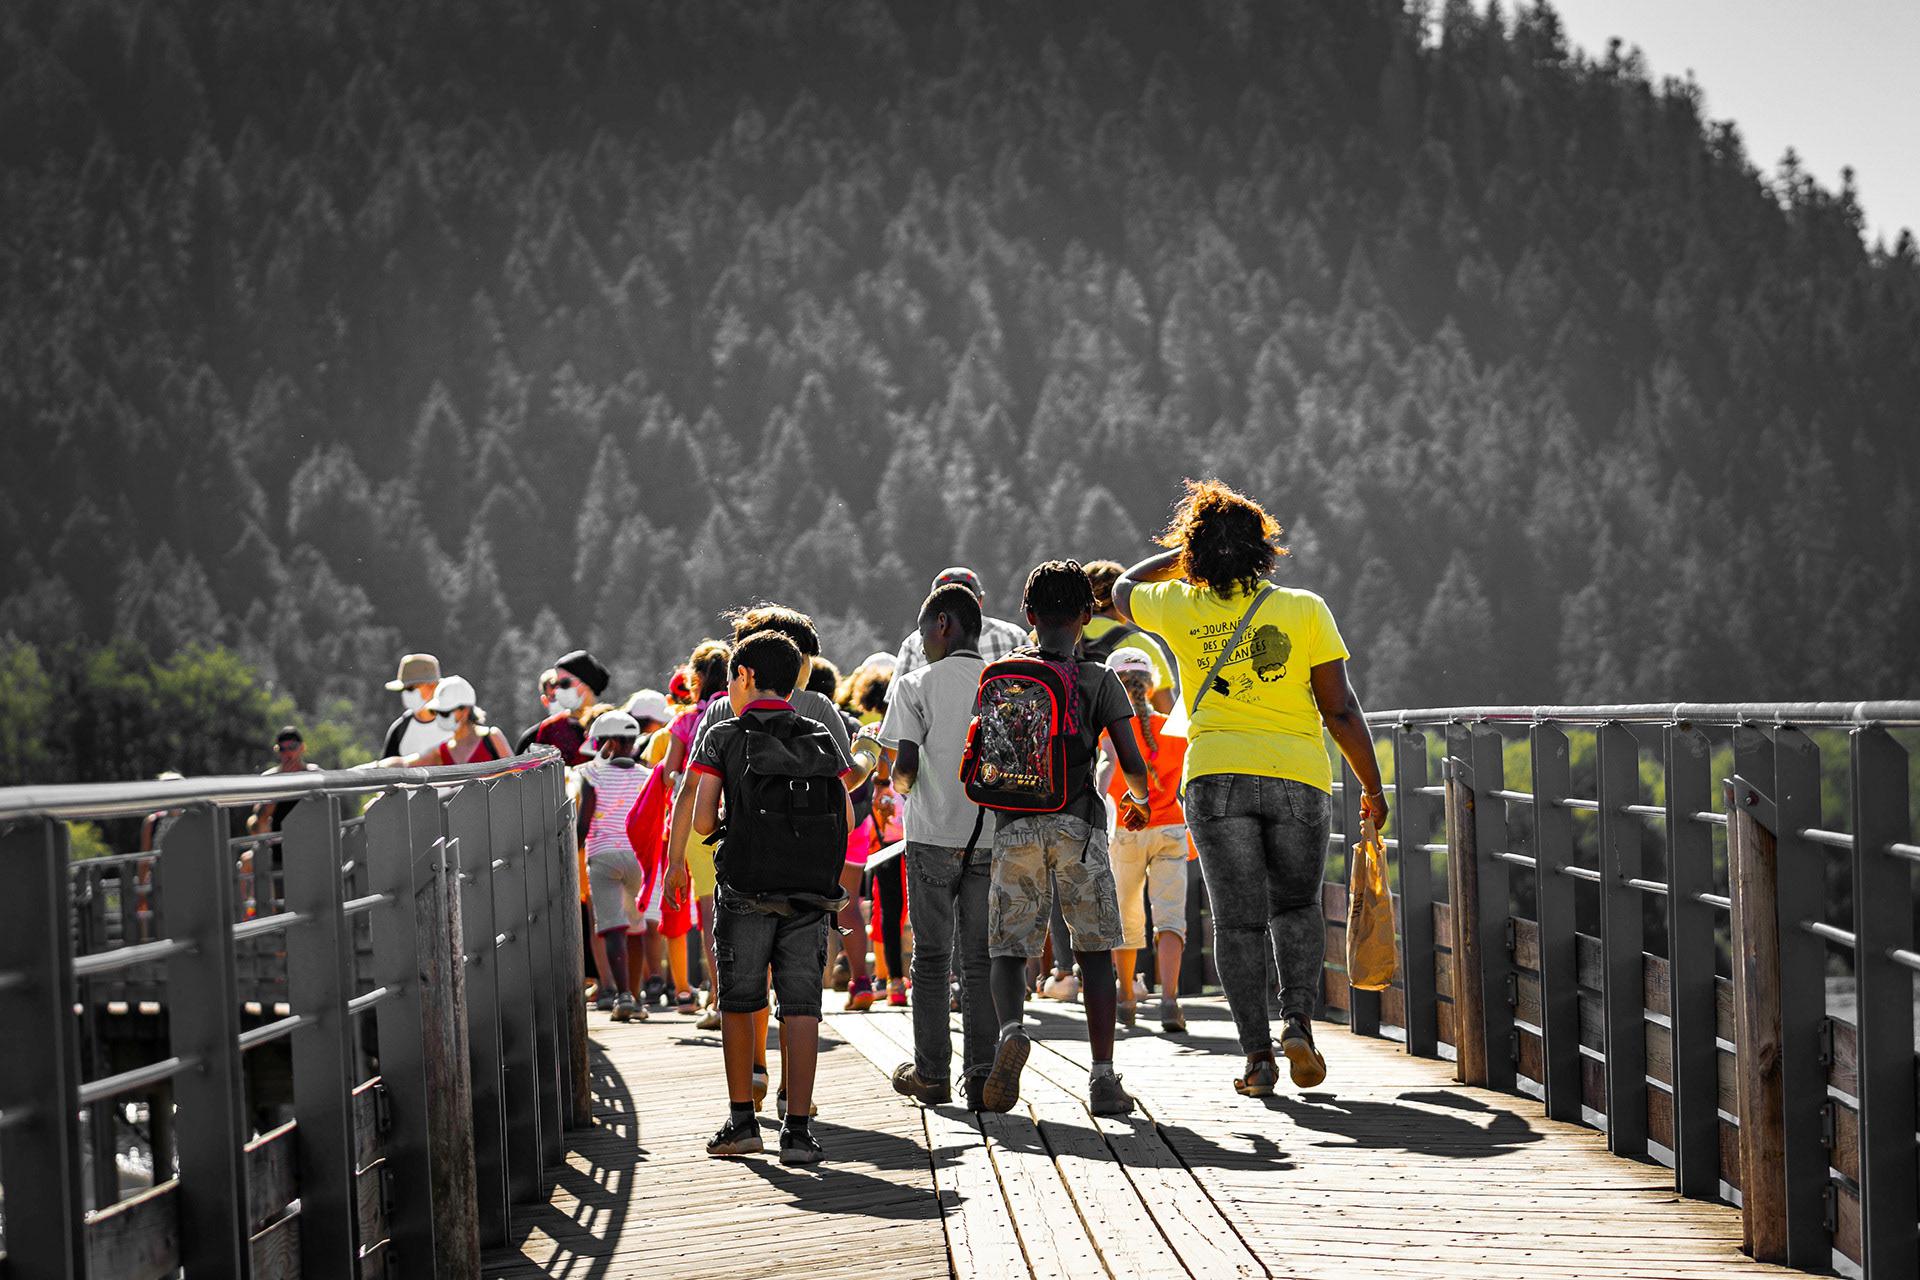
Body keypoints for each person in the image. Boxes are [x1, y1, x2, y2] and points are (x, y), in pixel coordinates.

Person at [1115, 478, 1388, 1098]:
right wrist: (1372, 786)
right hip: (1298, 776)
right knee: (1295, 906)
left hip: (1214, 778)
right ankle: (1297, 1021)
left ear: (1198, 553)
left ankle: (1258, 1058)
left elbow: (1121, 588)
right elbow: (1341, 710)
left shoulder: (1181, 608)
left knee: (1237, 923)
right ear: (1265, 550)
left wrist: (1184, 558)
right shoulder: (1305, 609)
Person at [977, 561, 1154, 1119]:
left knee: (1008, 947)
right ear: (1086, 616)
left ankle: (1010, 1031)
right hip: (1079, 826)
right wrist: (1140, 799)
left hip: (1013, 825)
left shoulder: (1002, 673)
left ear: (1029, 616)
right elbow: (1130, 760)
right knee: (1094, 948)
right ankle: (1103, 1078)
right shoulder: (1098, 679)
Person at [679, 630, 855, 1165]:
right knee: (801, 1008)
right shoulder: (822, 735)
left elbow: (703, 818)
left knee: (741, 1000)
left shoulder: (724, 736)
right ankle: (797, 1132)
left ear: (747, 677)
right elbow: (845, 819)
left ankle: (742, 1124)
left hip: (745, 890)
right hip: (809, 893)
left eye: (732, 677)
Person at [878, 582, 996, 1110]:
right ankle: (982, 1076)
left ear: (944, 624)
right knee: (979, 961)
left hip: (930, 837)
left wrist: (904, 789)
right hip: (991, 836)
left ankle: (931, 1075)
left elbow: (902, 771)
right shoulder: (1001, 683)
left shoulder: (916, 683)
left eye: (924, 629)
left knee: (930, 959)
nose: (921, 641)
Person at [1102, 647, 1192, 1033]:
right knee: (1170, 916)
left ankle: (1125, 997)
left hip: (1125, 829)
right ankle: (1169, 1000)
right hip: (1171, 827)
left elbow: (1104, 772)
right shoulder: (1174, 732)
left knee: (1125, 916)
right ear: (1151, 685)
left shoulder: (1108, 732)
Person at [657, 640, 733, 1028]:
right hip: (739, 816)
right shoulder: (739, 709)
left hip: (695, 822)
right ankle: (751, 994)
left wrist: (689, 777)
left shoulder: (686, 722)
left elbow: (672, 776)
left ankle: (719, 999)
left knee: (710, 913)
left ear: (696, 678)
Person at [577, 710, 651, 1023]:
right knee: (635, 925)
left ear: (607, 742)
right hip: (637, 857)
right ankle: (636, 995)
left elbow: (584, 821)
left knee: (612, 927)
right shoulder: (645, 776)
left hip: (603, 856)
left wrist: (573, 846)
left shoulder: (591, 773)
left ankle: (621, 996)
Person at [890, 567, 1030, 677]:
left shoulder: (914, 644)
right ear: (979, 600)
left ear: (931, 604)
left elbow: (897, 704)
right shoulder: (1014, 637)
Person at [1081, 562, 1176, 713]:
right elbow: (1167, 712)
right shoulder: (1139, 643)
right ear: (1119, 598)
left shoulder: (1064, 638)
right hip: (1124, 735)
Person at [381, 676, 514, 766]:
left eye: (444, 713)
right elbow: (406, 764)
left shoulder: (491, 737)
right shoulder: (442, 751)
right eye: (436, 712)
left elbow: (516, 771)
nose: (438, 717)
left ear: (465, 710)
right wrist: (373, 768)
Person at [520, 650, 610, 765]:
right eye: (556, 683)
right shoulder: (550, 727)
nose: (557, 690)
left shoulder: (611, 722)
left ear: (585, 683)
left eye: (564, 683)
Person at [248, 726, 321, 834]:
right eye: (282, 749)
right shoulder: (269, 778)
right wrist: (281, 785)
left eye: (292, 747)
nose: (287, 753)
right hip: (280, 841)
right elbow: (260, 819)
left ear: (302, 748)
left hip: (312, 836)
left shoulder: (315, 775)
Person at [380, 653, 453, 758]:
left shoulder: (457, 723)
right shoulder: (400, 729)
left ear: (432, 685)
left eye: (410, 688)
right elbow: (386, 771)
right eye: (403, 689)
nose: (406, 694)